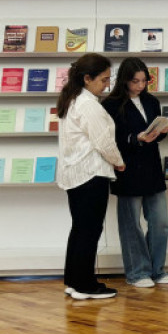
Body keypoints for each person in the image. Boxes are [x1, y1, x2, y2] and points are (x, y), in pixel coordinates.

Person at [102, 57, 168, 288]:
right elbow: (109, 140)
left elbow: (157, 134)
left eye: (144, 81)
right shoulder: (110, 104)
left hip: (152, 168)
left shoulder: (152, 101)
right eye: (135, 81)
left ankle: (157, 270)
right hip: (127, 169)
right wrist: (136, 138)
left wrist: (160, 132)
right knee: (131, 225)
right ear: (124, 80)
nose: (140, 86)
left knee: (161, 223)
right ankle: (137, 272)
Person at [56, 53, 125, 300]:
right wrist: (119, 162)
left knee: (80, 229)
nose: (107, 84)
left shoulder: (73, 99)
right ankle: (86, 285)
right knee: (89, 230)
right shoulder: (88, 105)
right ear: (87, 78)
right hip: (90, 173)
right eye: (104, 79)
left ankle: (74, 281)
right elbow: (103, 141)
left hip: (75, 174)